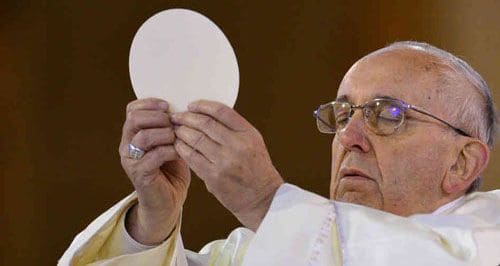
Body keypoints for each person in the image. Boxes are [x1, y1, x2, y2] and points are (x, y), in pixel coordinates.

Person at [59, 41, 499, 266]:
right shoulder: (263, 251)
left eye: (388, 115)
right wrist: (153, 223)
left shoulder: (488, 236)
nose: (350, 137)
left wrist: (263, 201)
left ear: (462, 162)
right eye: (343, 114)